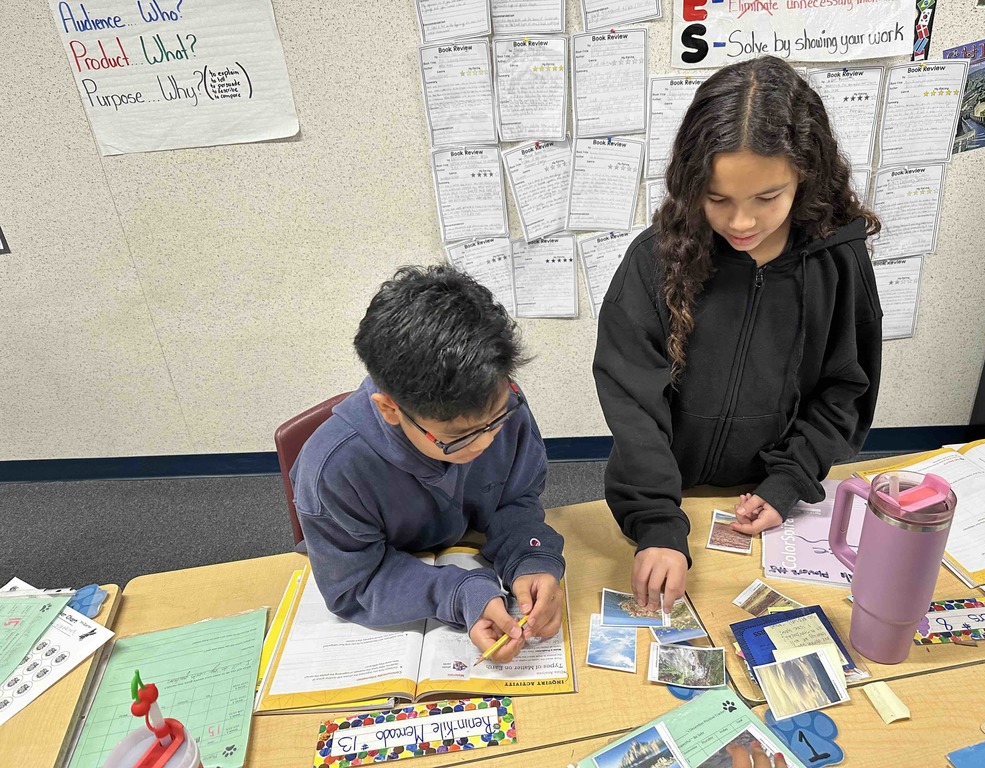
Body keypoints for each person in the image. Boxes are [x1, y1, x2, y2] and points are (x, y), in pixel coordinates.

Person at [593, 55, 883, 612]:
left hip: (766, 497)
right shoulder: (656, 260)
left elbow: (846, 389)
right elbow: (633, 405)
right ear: (691, 183)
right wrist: (656, 520)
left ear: (805, 176)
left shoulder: (837, 261)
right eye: (718, 198)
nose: (741, 223)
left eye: (767, 198)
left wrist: (788, 482)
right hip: (663, 490)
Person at [292, 265, 565, 662]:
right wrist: (458, 593)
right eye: (459, 436)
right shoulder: (332, 469)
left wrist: (531, 557)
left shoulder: (498, 402)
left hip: (464, 551)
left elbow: (516, 498)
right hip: (394, 585)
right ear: (389, 409)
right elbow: (355, 583)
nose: (486, 442)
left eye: (496, 420)